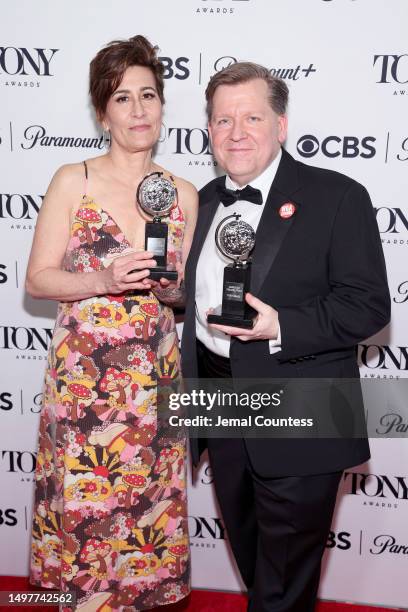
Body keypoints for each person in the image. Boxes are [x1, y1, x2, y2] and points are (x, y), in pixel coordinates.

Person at [181, 62, 390, 611]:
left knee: (283, 583)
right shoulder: (198, 203)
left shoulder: (338, 196)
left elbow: (368, 304)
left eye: (252, 116)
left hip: (302, 405)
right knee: (257, 565)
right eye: (222, 120)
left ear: (282, 125)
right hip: (221, 407)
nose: (236, 132)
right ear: (208, 132)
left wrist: (282, 325)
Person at [26, 35, 197, 611]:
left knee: (149, 505)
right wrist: (103, 279)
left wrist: (172, 289)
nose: (139, 110)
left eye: (148, 95)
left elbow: (178, 297)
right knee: (85, 512)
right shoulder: (74, 180)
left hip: (154, 381)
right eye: (122, 98)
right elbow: (39, 279)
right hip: (84, 387)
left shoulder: (185, 194)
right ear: (103, 112)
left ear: (162, 105)